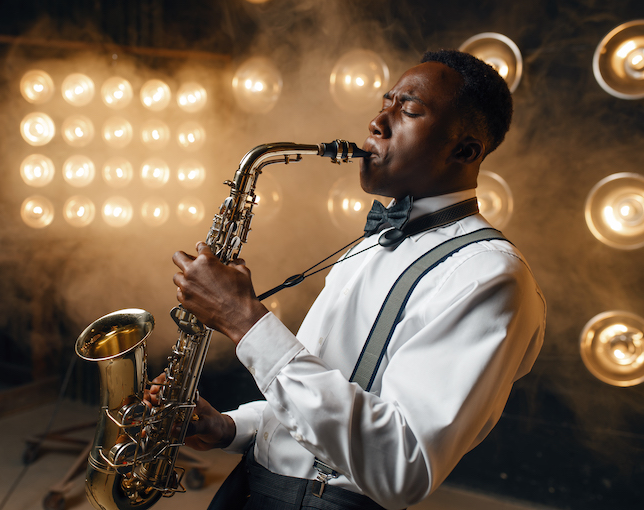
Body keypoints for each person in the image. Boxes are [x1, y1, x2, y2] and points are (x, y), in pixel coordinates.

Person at [167, 50, 546, 510]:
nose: (377, 121)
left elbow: (400, 465)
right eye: (385, 103)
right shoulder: (369, 244)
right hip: (250, 486)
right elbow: (333, 389)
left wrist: (243, 320)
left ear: (464, 150)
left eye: (408, 110)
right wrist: (232, 427)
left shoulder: (488, 276)